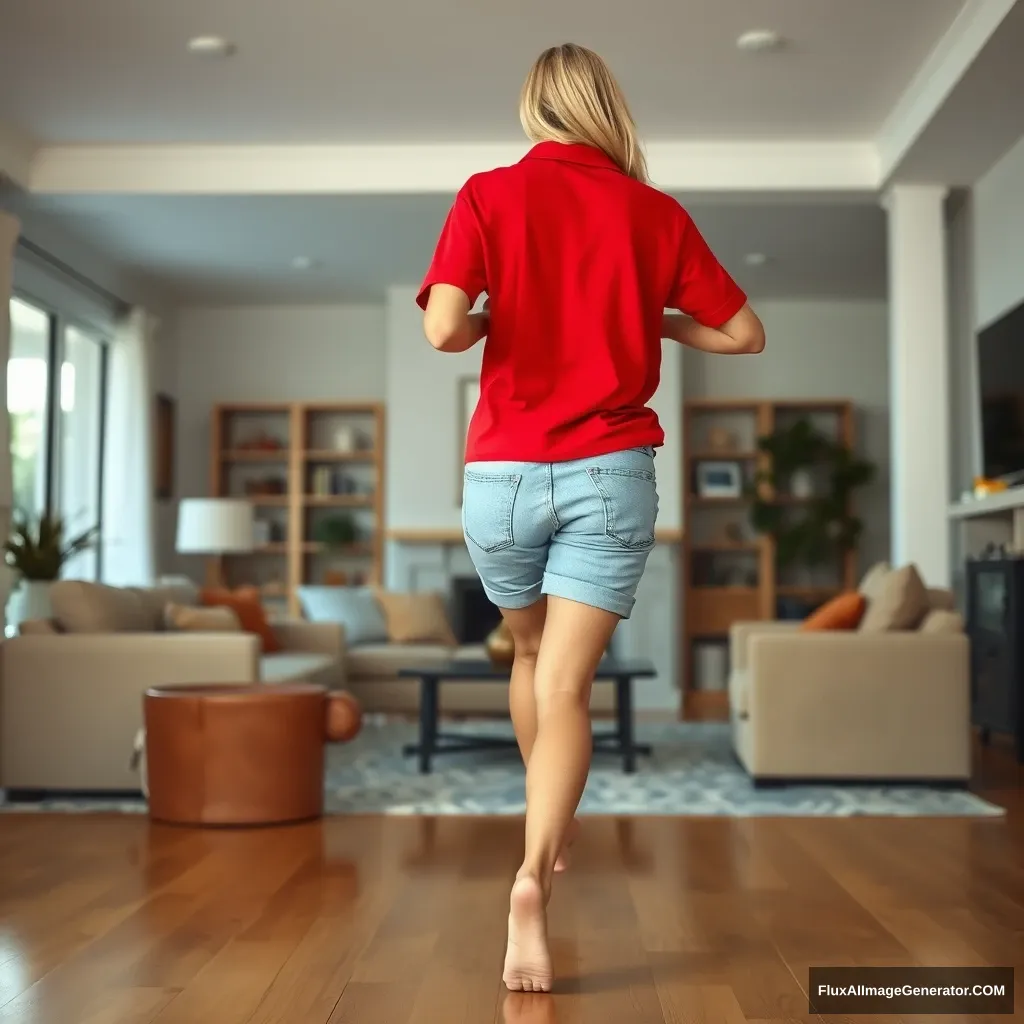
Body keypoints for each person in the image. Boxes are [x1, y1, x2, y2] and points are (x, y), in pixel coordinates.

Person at [417, 43, 765, 993]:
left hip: (502, 476)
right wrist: (648, 318)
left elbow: (444, 328)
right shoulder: (653, 211)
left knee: (529, 661)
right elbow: (744, 333)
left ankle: (541, 824)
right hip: (611, 469)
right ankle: (535, 870)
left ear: (535, 107)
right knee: (570, 685)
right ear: (607, 108)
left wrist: (502, 319)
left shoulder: (488, 193)